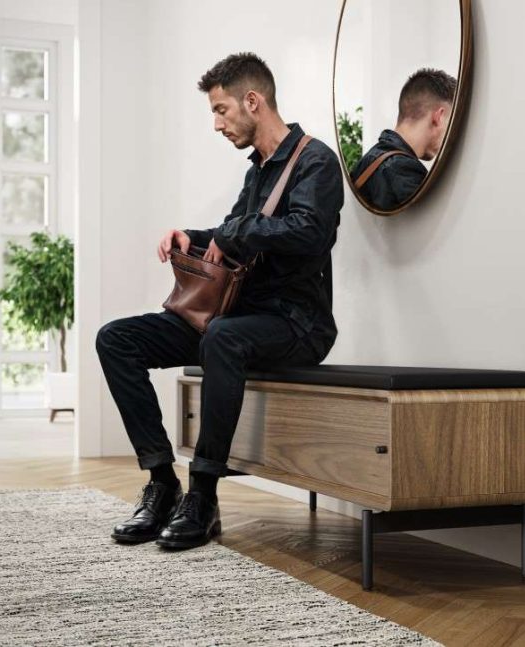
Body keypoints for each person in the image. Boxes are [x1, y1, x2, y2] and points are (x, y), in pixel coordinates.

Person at [95, 52, 344, 550]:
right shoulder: (257, 173)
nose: (216, 124)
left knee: (223, 338)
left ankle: (203, 497)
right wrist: (192, 237)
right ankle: (162, 483)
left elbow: (310, 233)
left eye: (221, 110)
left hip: (296, 325)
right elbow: (233, 234)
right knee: (116, 339)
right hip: (235, 318)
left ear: (252, 101)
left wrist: (236, 232)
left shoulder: (316, 161)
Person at [350, 67, 457, 211]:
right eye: (451, 123)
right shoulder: (404, 169)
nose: (450, 134)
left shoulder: (367, 161)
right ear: (439, 117)